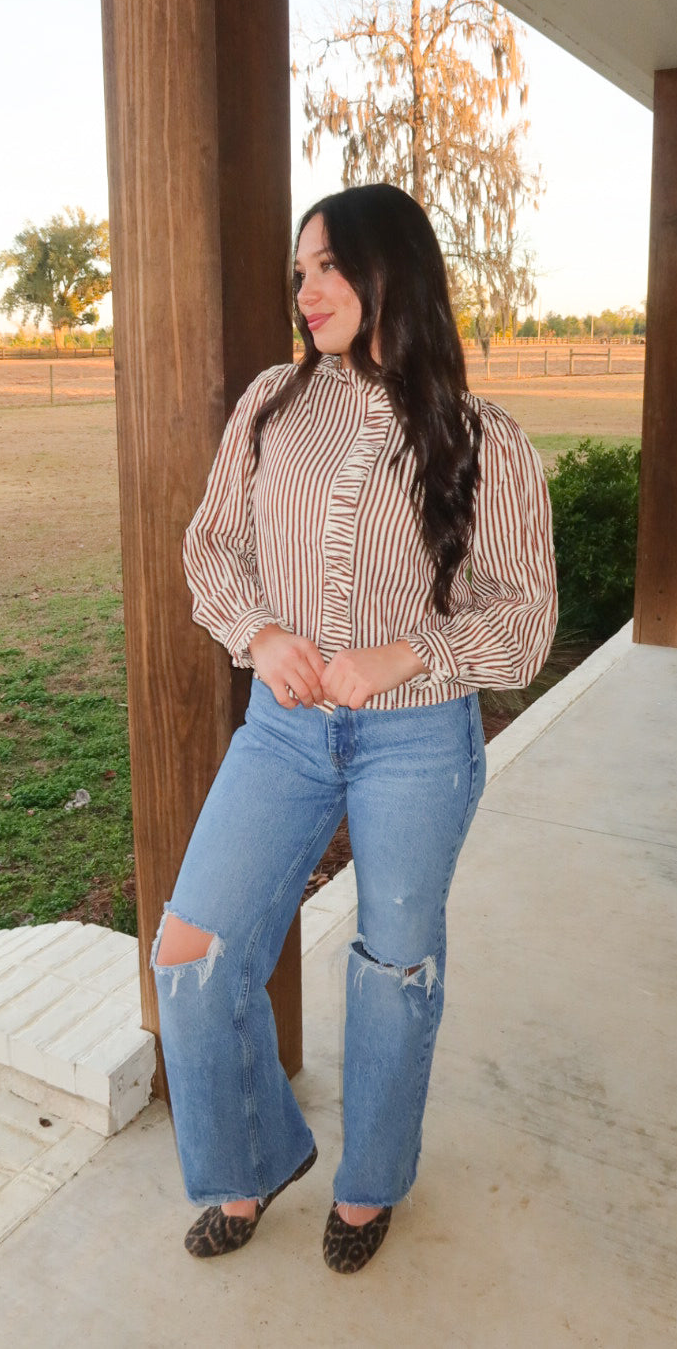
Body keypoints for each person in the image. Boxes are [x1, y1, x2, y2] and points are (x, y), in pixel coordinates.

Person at [152, 183, 557, 1274]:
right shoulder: (271, 404)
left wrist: (409, 652)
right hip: (283, 732)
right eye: (300, 272)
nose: (308, 289)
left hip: (418, 742)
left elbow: (524, 622)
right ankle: (253, 1159)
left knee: (392, 967)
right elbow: (210, 549)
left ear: (393, 269)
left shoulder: (484, 439)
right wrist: (259, 633)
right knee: (190, 951)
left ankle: (369, 1187)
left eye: (328, 265)